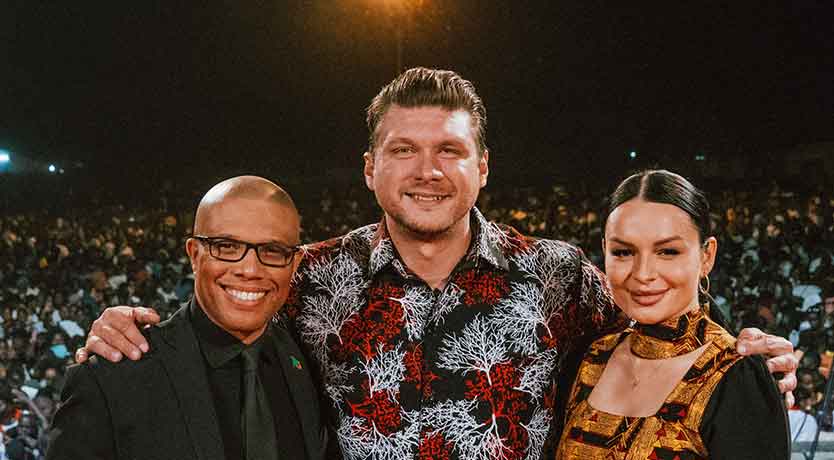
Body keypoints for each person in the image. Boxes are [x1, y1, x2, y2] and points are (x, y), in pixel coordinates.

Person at [77, 68, 798, 459]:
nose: (428, 171)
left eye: (450, 150)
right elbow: (224, 310)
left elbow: (660, 328)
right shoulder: (312, 276)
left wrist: (747, 362)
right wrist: (127, 328)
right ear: (369, 168)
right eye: (404, 150)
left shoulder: (559, 274)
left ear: (482, 168)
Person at [47, 176, 328, 460]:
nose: (250, 269)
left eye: (273, 251)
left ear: (293, 264)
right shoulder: (110, 379)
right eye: (227, 246)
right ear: (194, 255)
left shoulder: (306, 360)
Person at [556, 170, 790, 459]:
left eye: (667, 251)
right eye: (623, 252)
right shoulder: (590, 357)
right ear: (604, 251)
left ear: (707, 256)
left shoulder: (735, 376)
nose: (642, 274)